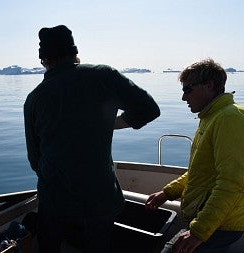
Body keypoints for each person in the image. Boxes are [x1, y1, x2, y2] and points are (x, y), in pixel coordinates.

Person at [23, 25, 160, 253]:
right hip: (100, 198)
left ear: (43, 60)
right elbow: (148, 109)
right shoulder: (103, 76)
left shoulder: (35, 98)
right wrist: (111, 124)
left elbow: (34, 159)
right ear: (74, 53)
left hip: (54, 199)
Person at [145, 58, 244, 253]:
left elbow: (230, 182)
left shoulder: (230, 119)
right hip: (214, 220)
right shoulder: (213, 117)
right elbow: (202, 172)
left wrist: (199, 231)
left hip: (221, 223)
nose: (184, 98)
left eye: (187, 90)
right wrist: (168, 192)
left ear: (209, 86)